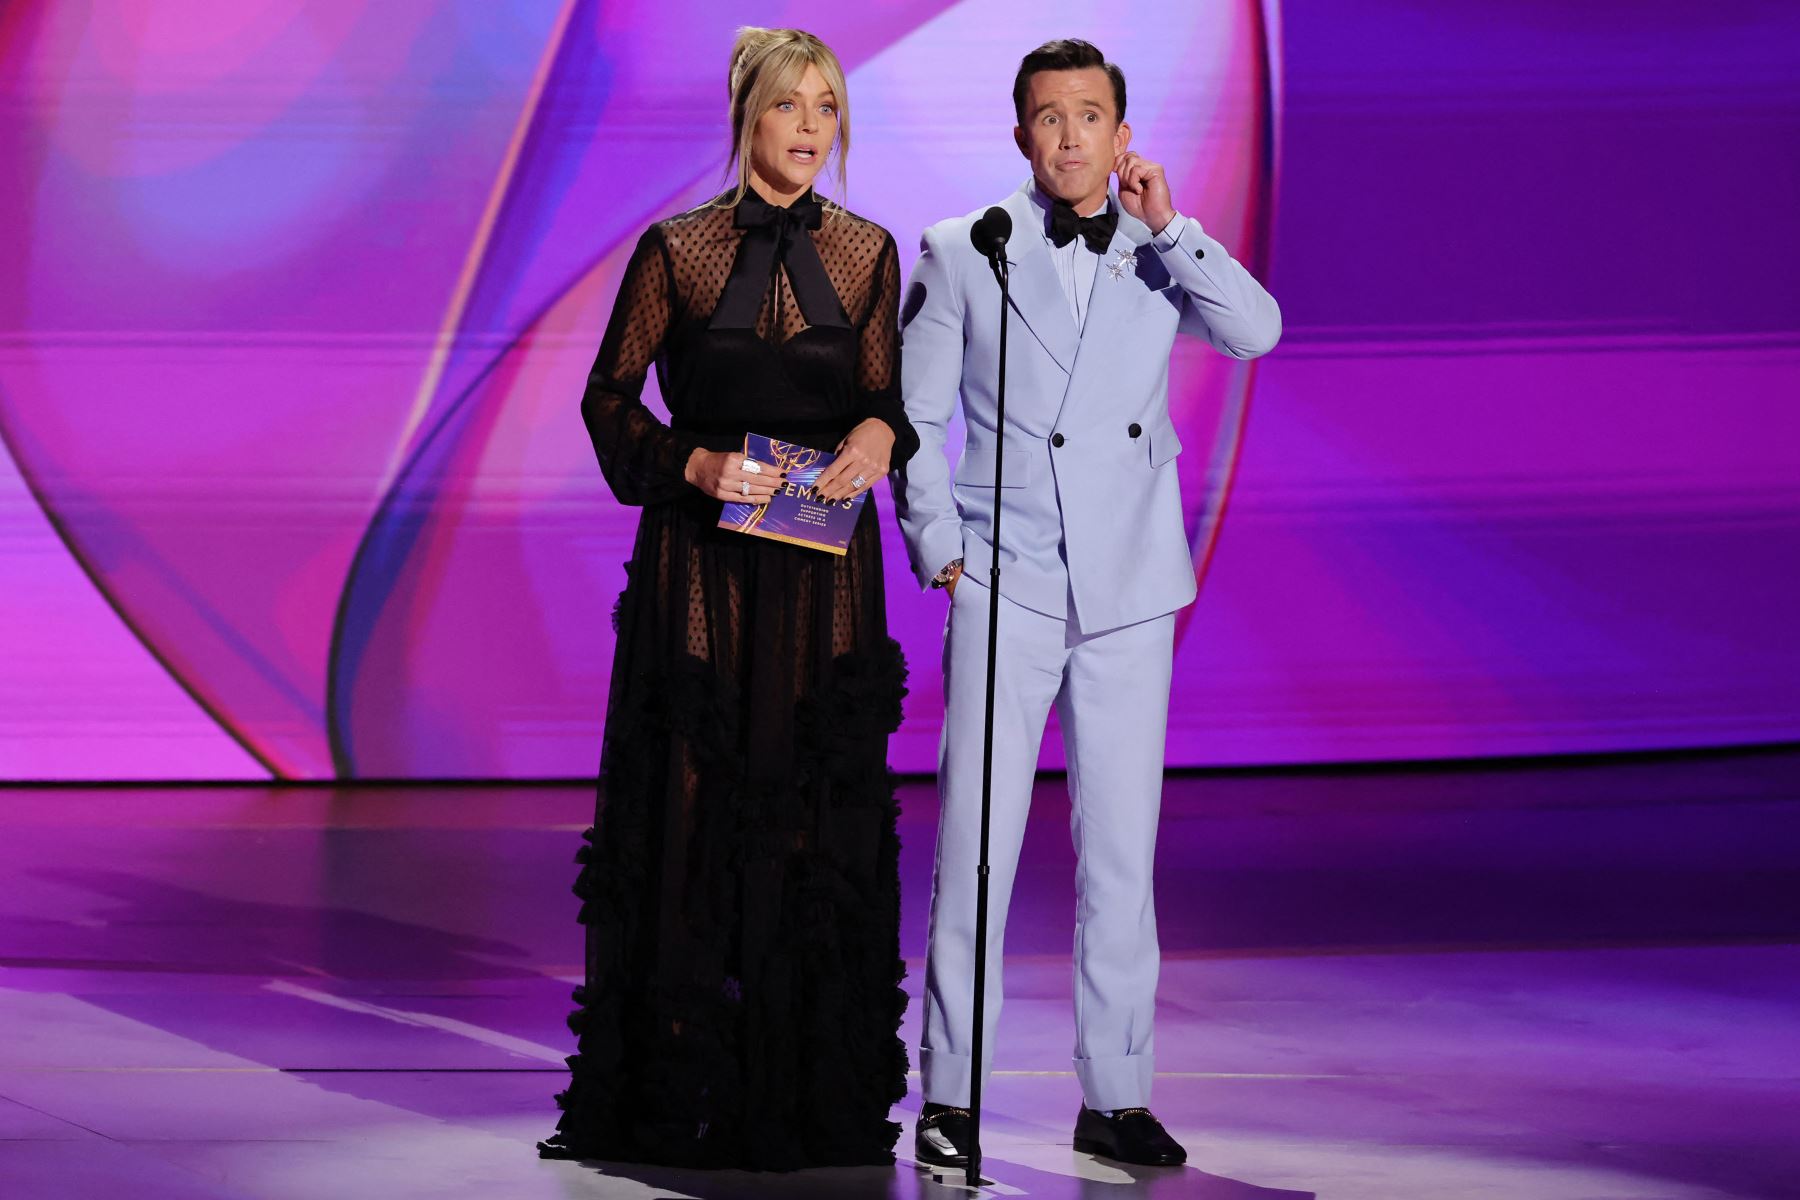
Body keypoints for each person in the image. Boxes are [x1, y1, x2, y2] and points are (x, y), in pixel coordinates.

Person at [893, 38, 1281, 1169]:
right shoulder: (966, 250)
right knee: (976, 843)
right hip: (1007, 580)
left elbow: (1255, 332)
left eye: (1091, 115)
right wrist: (939, 546)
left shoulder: (1163, 258)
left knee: (1120, 849)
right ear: (1020, 135)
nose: (1070, 135)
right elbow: (915, 415)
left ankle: (1115, 1093)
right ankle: (953, 1094)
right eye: (1049, 117)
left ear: (1123, 134)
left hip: (1126, 590)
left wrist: (1170, 227)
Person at [538, 26, 917, 1171]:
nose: (810, 128)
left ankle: (810, 1093)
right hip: (701, 566)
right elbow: (608, 402)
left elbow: (885, 401)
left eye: (828, 109)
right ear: (746, 115)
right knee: (697, 807)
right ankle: (685, 1090)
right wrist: (691, 466)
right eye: (790, 105)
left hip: (823, 575)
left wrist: (875, 431)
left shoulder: (866, 254)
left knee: (814, 809)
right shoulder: (677, 249)